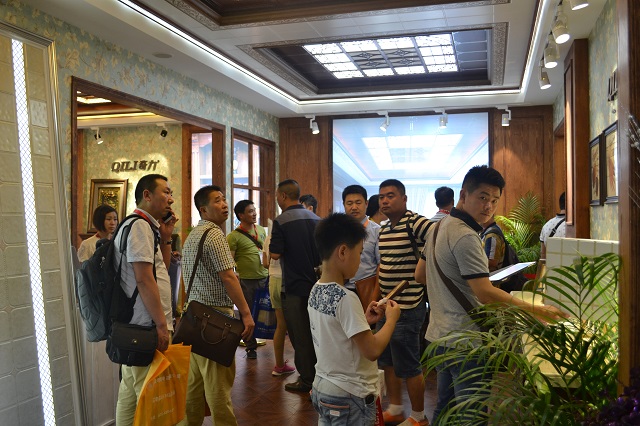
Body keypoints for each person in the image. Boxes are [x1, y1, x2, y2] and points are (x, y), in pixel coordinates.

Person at [415, 166, 567, 425]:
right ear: (464, 194)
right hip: (466, 341)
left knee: (446, 408)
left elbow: (420, 274)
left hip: (439, 336)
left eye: (495, 200)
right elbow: (484, 293)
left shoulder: (439, 227)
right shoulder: (466, 236)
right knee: (471, 415)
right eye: (483, 197)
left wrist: (456, 281)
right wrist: (539, 310)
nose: (489, 206)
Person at [309, 213, 401, 425]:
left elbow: (336, 333)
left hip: (324, 386)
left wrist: (364, 321)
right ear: (343, 252)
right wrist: (391, 320)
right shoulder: (346, 297)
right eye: (359, 253)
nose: (360, 261)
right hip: (350, 395)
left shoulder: (316, 290)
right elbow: (372, 350)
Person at [179, 185, 255, 426]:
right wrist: (246, 314)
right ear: (203, 209)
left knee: (193, 387)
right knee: (218, 388)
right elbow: (229, 277)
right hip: (215, 322)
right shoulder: (214, 235)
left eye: (224, 199)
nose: (224, 204)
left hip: (193, 319)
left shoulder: (193, 235)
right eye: (217, 201)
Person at [114, 174, 177, 425]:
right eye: (166, 192)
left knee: (130, 394)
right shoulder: (139, 226)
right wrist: (161, 324)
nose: (171, 199)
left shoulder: (144, 226)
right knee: (150, 399)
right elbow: (143, 279)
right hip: (145, 324)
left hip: (138, 324)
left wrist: (166, 236)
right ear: (147, 195)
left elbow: (160, 270)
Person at [377, 178, 431, 426]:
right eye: (381, 197)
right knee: (387, 361)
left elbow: (437, 236)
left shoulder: (414, 222)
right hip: (386, 306)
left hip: (408, 307)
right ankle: (396, 408)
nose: (385, 201)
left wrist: (422, 266)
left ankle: (419, 416)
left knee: (409, 364)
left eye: (390, 196)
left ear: (404, 198)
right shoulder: (384, 228)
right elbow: (384, 264)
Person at [270, 179, 321, 393]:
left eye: (277, 196)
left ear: (283, 196)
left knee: (300, 337)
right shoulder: (316, 218)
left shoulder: (281, 221)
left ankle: (307, 380)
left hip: (294, 286)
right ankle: (320, 377)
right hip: (317, 285)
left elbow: (275, 254)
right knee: (317, 334)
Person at [227, 199, 268, 359]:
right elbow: (230, 261)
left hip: (264, 278)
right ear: (241, 215)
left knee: (264, 311)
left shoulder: (261, 230)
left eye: (254, 210)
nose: (254, 213)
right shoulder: (234, 236)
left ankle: (264, 335)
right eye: (250, 211)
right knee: (248, 313)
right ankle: (250, 347)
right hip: (246, 281)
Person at [263, 220, 296, 376]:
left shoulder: (268, 238)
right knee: (296, 326)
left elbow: (265, 263)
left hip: (272, 280)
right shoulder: (289, 237)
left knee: (281, 325)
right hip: (286, 281)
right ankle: (305, 367)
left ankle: (279, 365)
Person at [342, 185, 380, 292]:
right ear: (344, 205)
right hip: (342, 288)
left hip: (366, 290)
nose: (354, 207)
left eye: (358, 203)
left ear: (366, 204)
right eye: (349, 203)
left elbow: (380, 266)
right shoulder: (337, 230)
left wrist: (374, 295)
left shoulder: (377, 231)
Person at [537, 192, 567, 277]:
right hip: (568, 273)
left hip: (551, 273)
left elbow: (543, 256)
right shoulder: (573, 226)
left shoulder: (547, 225)